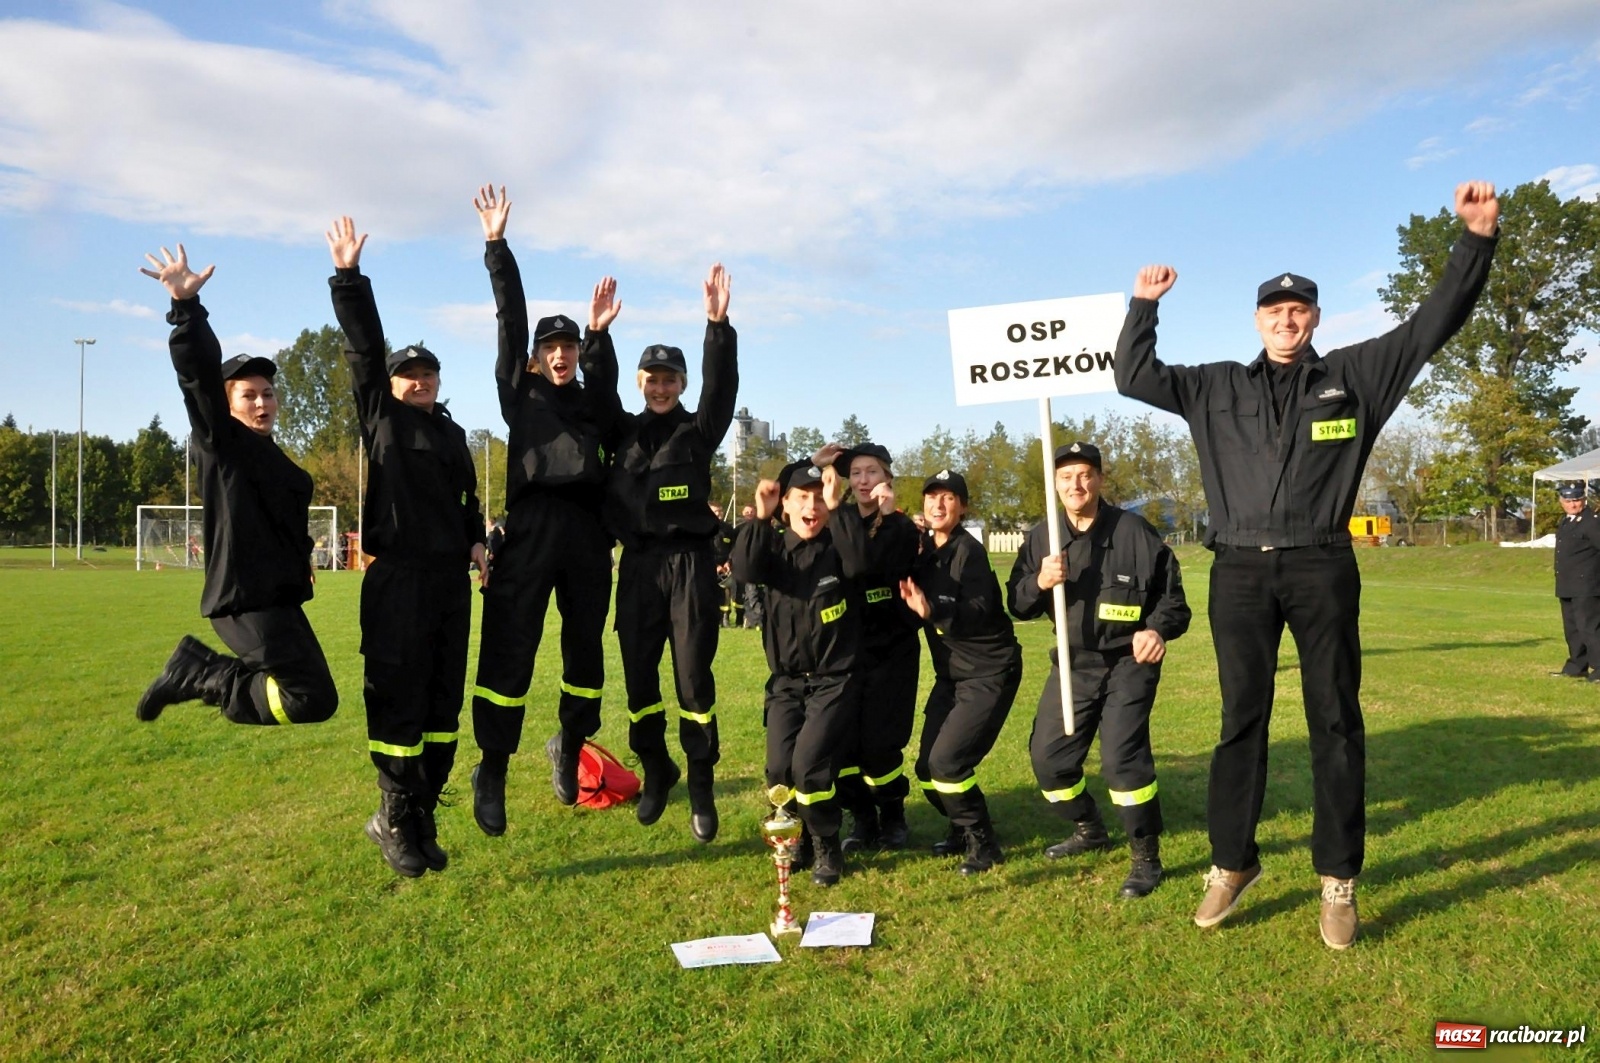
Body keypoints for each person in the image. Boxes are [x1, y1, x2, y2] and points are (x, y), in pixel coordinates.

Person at [1114, 181, 1500, 948]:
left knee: (1334, 719)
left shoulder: (1355, 377)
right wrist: (1143, 305)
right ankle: (1232, 863)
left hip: (1322, 567)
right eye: (1273, 313)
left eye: (1299, 311)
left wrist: (1476, 241)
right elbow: (1132, 375)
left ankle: (1338, 879)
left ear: (1315, 318)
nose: (1286, 321)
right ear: (1257, 321)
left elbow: (1433, 324)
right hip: (1240, 573)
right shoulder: (1215, 384)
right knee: (1240, 724)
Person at [325, 216, 487, 877]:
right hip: (397, 580)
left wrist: (477, 541)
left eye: (428, 373)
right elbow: (365, 350)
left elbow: (468, 501)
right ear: (390, 385)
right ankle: (391, 813)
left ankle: (422, 810)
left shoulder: (453, 436)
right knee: (397, 696)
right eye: (408, 374)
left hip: (450, 582)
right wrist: (349, 278)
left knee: (442, 702)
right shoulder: (383, 421)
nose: (419, 380)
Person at [134, 244, 338, 731]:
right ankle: (199, 672)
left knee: (317, 697)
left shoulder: (272, 454)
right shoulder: (222, 443)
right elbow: (199, 377)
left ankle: (200, 670)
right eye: (248, 395)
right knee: (309, 697)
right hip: (246, 600)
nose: (262, 402)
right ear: (227, 405)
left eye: (268, 393)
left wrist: (300, 563)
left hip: (278, 595)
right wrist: (186, 312)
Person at [466, 184, 618, 834]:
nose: (560, 353)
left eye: (570, 346)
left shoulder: (591, 398)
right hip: (528, 534)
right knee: (510, 656)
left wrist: (600, 335)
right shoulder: (517, 392)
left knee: (585, 659)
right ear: (534, 356)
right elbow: (509, 318)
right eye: (549, 346)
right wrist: (498, 248)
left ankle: (571, 743)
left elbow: (611, 393)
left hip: (586, 537)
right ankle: (493, 768)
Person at [591, 266, 739, 841]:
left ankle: (701, 784)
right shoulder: (621, 432)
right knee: (638, 680)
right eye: (651, 379)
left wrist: (716, 326)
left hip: (691, 567)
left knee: (693, 681)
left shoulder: (698, 432)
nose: (659, 388)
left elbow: (722, 388)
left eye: (669, 379)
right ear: (640, 382)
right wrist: (597, 336)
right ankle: (657, 769)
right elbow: (598, 391)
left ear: (680, 383)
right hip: (638, 568)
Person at [1006, 442, 1190, 898]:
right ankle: (1088, 827)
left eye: (1085, 474)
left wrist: (1156, 630)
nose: (1076, 485)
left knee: (1121, 761)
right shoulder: (1040, 538)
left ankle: (1146, 856)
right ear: (1055, 484)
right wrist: (1040, 582)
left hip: (1129, 661)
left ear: (1100, 481)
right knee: (1049, 761)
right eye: (1066, 476)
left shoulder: (1135, 532)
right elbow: (1017, 603)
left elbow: (1174, 601)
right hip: (1072, 664)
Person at [730, 460, 870, 886]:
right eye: (801, 497)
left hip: (834, 679)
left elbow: (860, 564)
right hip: (787, 682)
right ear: (786, 504)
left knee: (810, 766)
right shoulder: (772, 551)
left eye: (818, 497)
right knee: (778, 769)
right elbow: (744, 570)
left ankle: (827, 843)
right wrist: (759, 515)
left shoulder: (838, 545)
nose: (811, 506)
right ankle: (802, 837)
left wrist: (839, 506)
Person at [900, 470, 1024, 874]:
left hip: (989, 672)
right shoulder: (922, 550)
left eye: (949, 498)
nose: (938, 505)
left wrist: (931, 611)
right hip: (951, 676)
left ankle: (983, 842)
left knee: (948, 764)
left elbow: (979, 610)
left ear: (963, 507)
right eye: (932, 497)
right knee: (926, 769)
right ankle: (959, 824)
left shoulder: (969, 552)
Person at [814, 441, 921, 851]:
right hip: (842, 649)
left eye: (871, 472)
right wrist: (813, 464)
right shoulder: (833, 519)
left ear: (887, 478)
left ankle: (892, 816)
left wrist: (886, 514)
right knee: (842, 743)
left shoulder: (901, 526)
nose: (862, 480)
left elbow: (866, 564)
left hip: (890, 648)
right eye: (855, 472)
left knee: (880, 743)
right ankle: (861, 819)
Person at [1552, 482, 1600, 681]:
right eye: (1568, 500)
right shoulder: (1566, 522)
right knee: (1572, 629)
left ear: (1584, 500)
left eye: (1576, 500)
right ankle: (1576, 665)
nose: (1572, 504)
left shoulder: (1592, 522)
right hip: (1568, 584)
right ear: (1562, 502)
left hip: (1586, 586)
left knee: (1589, 628)